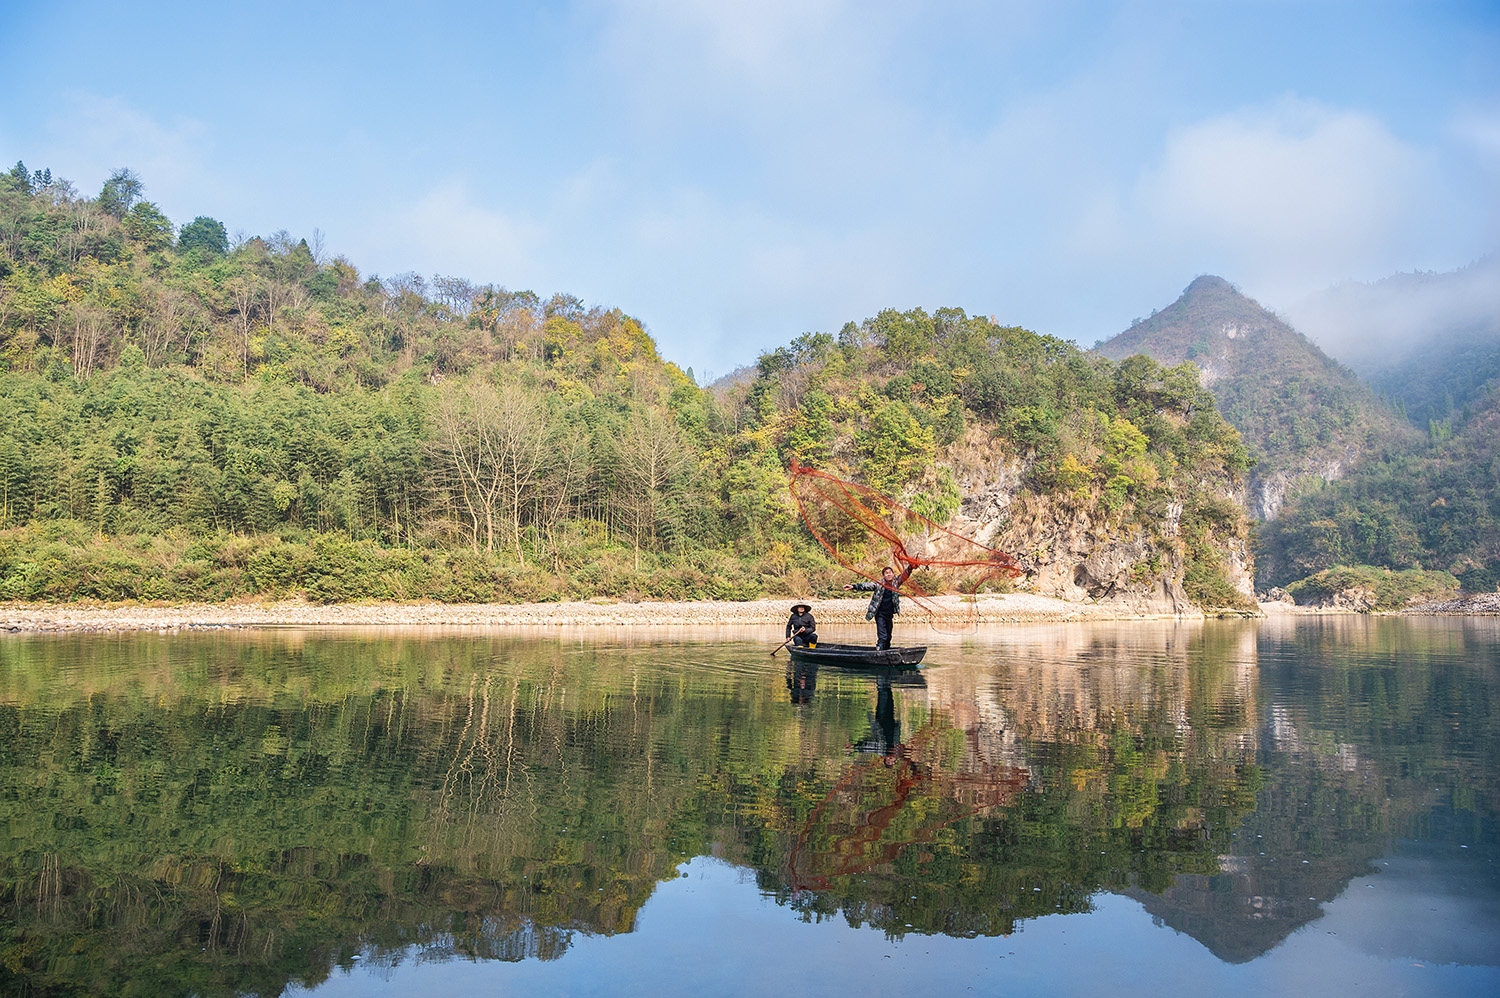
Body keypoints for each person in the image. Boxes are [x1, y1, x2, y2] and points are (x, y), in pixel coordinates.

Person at [844, 565, 912, 650]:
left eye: (890, 573)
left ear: (893, 574)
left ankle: (886, 651)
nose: (888, 575)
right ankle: (879, 649)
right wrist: (854, 586)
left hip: (889, 614)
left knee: (888, 636)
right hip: (880, 613)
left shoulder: (896, 583)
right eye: (886, 573)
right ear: (883, 576)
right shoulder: (879, 584)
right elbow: (867, 586)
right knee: (882, 636)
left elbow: (905, 575)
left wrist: (911, 567)